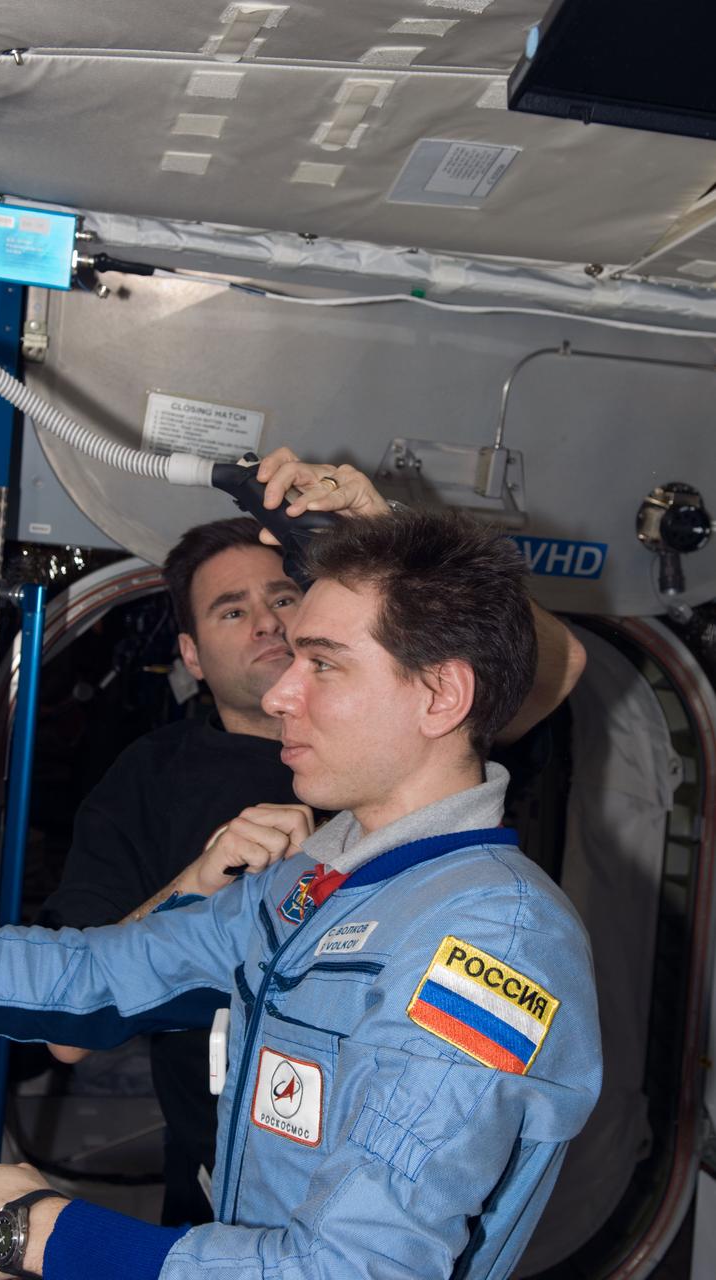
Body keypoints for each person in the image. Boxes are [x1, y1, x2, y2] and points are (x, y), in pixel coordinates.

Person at [0, 504, 601, 1280]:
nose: (282, 692)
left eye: (321, 663)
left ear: (441, 697)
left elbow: (354, 1268)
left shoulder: (491, 940)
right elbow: (90, 978)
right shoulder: (315, 882)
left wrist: (38, 1234)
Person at [40, 449, 586, 1224]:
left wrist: (387, 534)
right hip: (219, 1203)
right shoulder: (150, 780)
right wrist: (197, 884)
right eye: (231, 610)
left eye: (285, 598)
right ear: (190, 655)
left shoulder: (409, 741)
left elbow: (559, 668)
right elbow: (68, 1037)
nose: (269, 622)